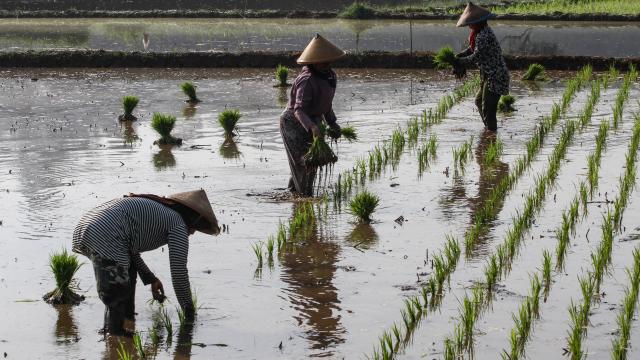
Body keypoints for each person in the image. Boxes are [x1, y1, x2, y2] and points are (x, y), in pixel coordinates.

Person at [72, 189, 220, 336]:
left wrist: (151, 279)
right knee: (116, 290)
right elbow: (179, 272)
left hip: (88, 224)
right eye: (196, 228)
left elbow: (130, 253)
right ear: (192, 218)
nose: (193, 232)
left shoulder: (162, 211)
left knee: (124, 273)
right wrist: (189, 314)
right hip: (105, 230)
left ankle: (125, 321)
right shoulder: (178, 224)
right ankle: (115, 335)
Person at [280, 34, 345, 196]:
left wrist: (332, 123)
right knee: (304, 162)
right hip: (294, 123)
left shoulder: (330, 76)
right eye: (322, 62)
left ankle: (294, 192)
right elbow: (298, 109)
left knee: (313, 161)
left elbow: (327, 104)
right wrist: (312, 127)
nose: (326, 64)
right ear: (313, 62)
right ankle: (304, 198)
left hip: (315, 120)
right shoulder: (307, 80)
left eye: (328, 61)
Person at [454, 2, 510, 133]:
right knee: (479, 101)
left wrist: (458, 62)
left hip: (495, 76)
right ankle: (489, 130)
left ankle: (491, 133)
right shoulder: (478, 33)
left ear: (478, 22)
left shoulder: (484, 35)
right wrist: (460, 55)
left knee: (488, 108)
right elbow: (472, 50)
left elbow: (476, 56)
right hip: (488, 75)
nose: (469, 26)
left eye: (470, 23)